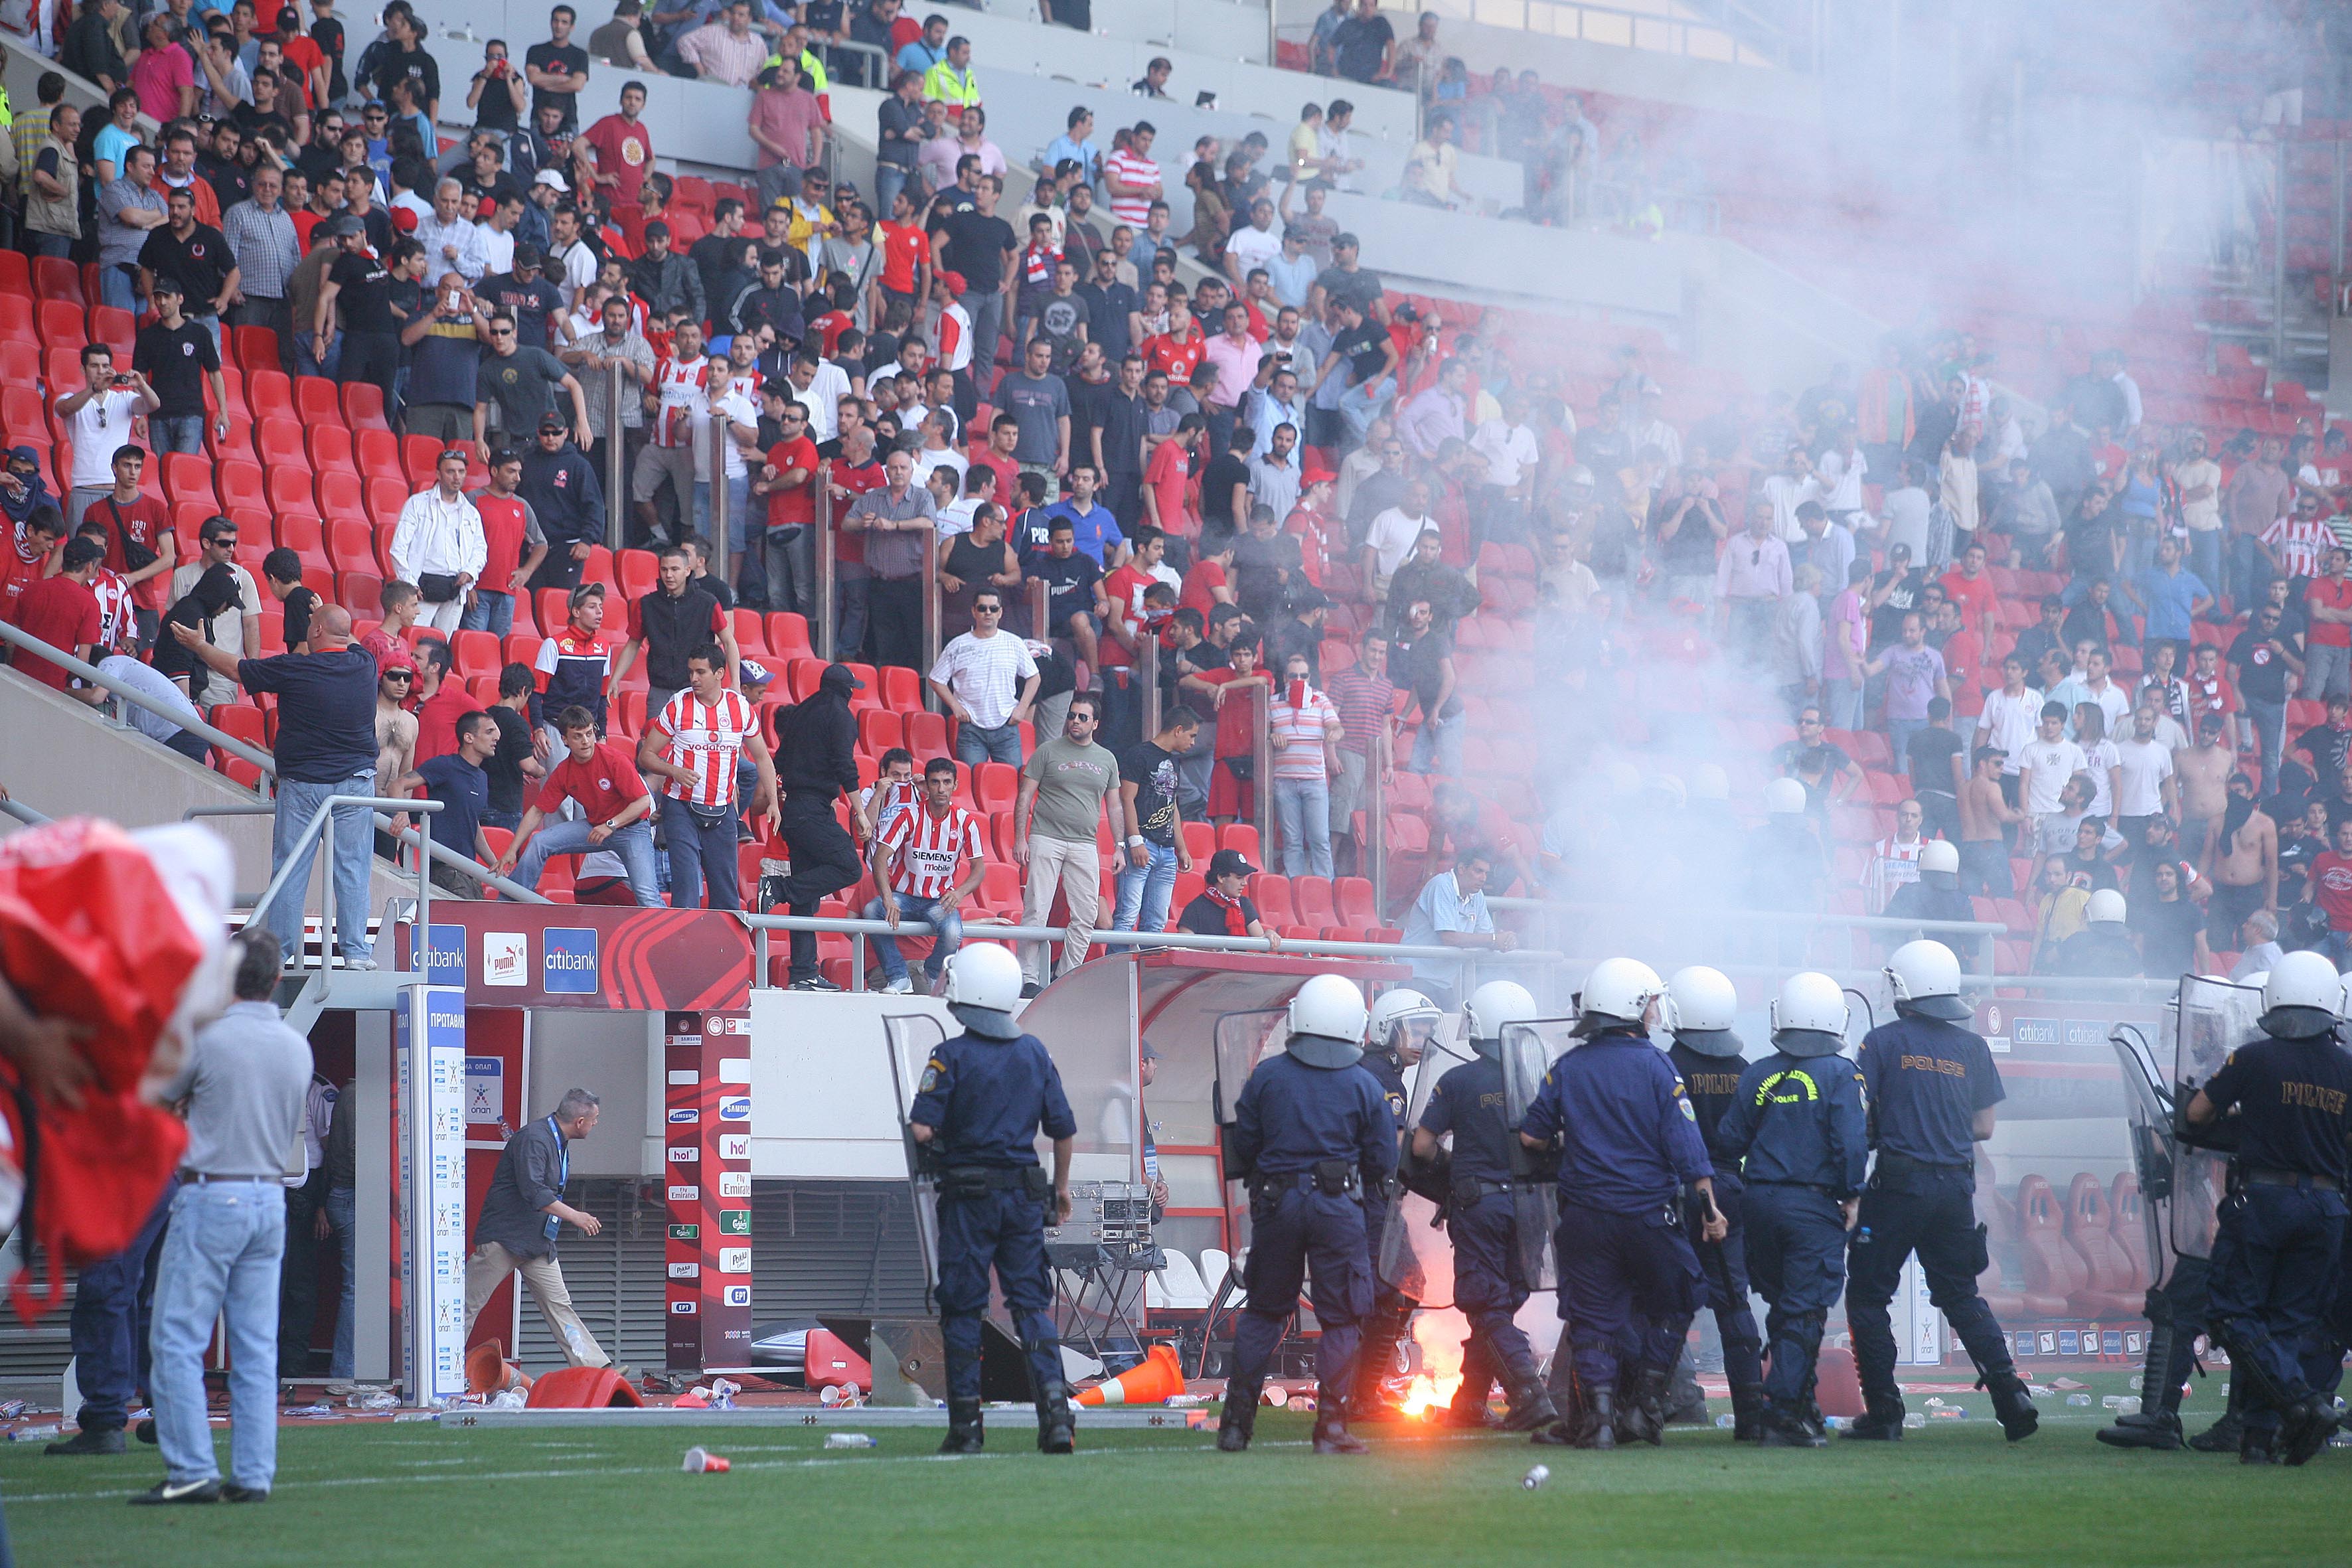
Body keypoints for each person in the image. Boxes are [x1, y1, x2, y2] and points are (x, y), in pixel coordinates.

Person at [1519, 957, 1723, 1449]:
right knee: (1677, 1303)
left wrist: (1572, 1144)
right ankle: (1644, 1405)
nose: (1655, 1010)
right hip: (1649, 1216)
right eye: (1651, 1001)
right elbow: (1687, 1148)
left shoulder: (1567, 1067)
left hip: (1585, 1216)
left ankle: (1600, 1420)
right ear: (1632, 1006)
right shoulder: (1657, 1066)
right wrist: (1711, 1209)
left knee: (1592, 1318)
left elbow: (1529, 1136)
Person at [137, 928, 310, 1506]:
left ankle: (191, 1469)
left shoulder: (207, 1040)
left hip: (213, 1193)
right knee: (256, 1347)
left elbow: (152, 1099)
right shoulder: (296, 1046)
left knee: (178, 1340)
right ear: (277, 979)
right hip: (269, 1197)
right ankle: (253, 1474)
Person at [1844, 939, 2037, 1442]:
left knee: (1867, 1296)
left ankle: (1885, 1413)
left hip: (1897, 1186)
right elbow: (1985, 1126)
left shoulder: (1881, 1042)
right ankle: (2010, 1395)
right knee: (1959, 1293)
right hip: (1954, 1187)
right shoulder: (1971, 1046)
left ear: (1904, 987)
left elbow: (1857, 1115)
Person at [2183, 952, 2352, 1464]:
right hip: (2326, 1207)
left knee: (2233, 1313)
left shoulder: (2254, 1057)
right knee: (2287, 1324)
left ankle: (2300, 1405)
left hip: (2263, 1200)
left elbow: (2195, 1114)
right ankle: (2257, 1441)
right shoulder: (2347, 1066)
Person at [909, 943, 1077, 1454]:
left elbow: (921, 1130)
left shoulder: (950, 1055)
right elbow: (1063, 1130)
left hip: (967, 1200)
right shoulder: (1035, 1052)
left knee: (963, 1310)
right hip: (1024, 1199)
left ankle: (966, 1429)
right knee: (1031, 1307)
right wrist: (1061, 1188)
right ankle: (1056, 1421)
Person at [1217, 974, 1391, 1455]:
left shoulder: (1267, 1076)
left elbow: (1244, 1145)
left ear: (1300, 1017)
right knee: (1341, 1320)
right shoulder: (1364, 1084)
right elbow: (1381, 1163)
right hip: (1338, 1209)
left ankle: (1235, 1426)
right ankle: (1331, 1429)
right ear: (1357, 1026)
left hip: (1277, 1204)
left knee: (1265, 1312)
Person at [172, 604, 378, 965]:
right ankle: (356, 953)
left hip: (303, 785)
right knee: (353, 868)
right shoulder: (365, 666)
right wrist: (325, 615)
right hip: (355, 785)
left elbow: (236, 669)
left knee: (290, 869)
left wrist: (199, 646)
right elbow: (349, 638)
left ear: (315, 632)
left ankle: (280, 954)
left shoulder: (296, 668)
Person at [1713, 971, 1869, 1447]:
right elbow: (1851, 1143)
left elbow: (1727, 1140)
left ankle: (1798, 1405)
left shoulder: (1758, 1071)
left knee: (1783, 1309)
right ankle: (1781, 1413)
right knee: (1803, 1312)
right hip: (1812, 1205)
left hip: (1757, 1202)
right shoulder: (1842, 1074)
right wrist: (1851, 1194)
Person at [1399, 982, 1558, 1430]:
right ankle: (1468, 1403)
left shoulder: (1458, 1080)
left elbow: (1423, 1146)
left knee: (1485, 1306)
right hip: (1532, 1210)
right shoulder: (1541, 1080)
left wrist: (1451, 1169)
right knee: (1500, 1306)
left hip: (1481, 1207)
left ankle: (1529, 1394)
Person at [1656, 965, 1768, 1441]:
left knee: (1665, 1303)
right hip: (1732, 1193)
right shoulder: (1745, 1071)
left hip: (1678, 1193)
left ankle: (1661, 1403)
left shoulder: (1662, 1064)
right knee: (1733, 1302)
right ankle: (1751, 1417)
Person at [461, 1088, 615, 1371]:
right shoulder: (534, 1138)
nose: (596, 1124)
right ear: (580, 1121)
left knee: (560, 1306)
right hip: (504, 1238)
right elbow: (534, 1191)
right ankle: (438, 1368)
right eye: (594, 1120)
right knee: (468, 1305)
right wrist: (575, 1216)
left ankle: (595, 1369)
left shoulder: (555, 1140)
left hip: (537, 1240)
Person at [638, 644, 779, 911]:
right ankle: (683, 951)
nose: (693, 678)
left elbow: (762, 757)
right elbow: (647, 756)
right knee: (688, 887)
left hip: (723, 809)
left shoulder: (740, 707)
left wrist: (772, 800)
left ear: (719, 673)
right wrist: (675, 771)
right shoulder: (678, 704)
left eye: (700, 672)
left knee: (726, 891)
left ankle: (722, 951)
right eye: (691, 672)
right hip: (681, 806)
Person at [492, 706, 661, 906]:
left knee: (646, 895)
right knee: (540, 842)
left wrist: (611, 825)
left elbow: (643, 802)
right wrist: (513, 849)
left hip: (631, 829)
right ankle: (510, 902)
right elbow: (537, 811)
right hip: (595, 827)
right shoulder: (565, 770)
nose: (586, 741)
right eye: (578, 736)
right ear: (565, 740)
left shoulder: (614, 759)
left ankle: (669, 937)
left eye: (589, 734)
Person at [1013, 692, 1123, 996]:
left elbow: (1114, 806)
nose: (1075, 721)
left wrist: (1119, 846)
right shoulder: (1047, 751)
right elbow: (1025, 796)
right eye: (1072, 715)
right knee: (1037, 907)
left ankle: (1066, 978)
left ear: (1095, 723)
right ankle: (1027, 978)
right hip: (1046, 836)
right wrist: (1020, 838)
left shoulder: (1107, 759)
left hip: (1085, 843)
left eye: (1082, 717)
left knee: (1087, 915)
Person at [769, 663, 866, 988]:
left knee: (805, 898)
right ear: (848, 690)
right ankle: (776, 889)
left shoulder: (801, 713)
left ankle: (802, 973)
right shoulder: (840, 715)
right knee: (850, 867)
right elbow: (845, 766)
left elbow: (778, 761)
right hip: (812, 809)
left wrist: (774, 796)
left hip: (794, 809)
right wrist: (861, 812)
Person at [866, 755, 984, 994]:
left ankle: (932, 973)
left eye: (946, 782)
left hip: (938, 899)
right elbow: (880, 857)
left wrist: (960, 892)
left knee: (953, 931)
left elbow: (979, 868)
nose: (941, 789)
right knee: (872, 910)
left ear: (955, 785)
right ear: (927, 785)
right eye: (935, 782)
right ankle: (899, 976)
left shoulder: (966, 821)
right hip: (905, 896)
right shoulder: (908, 815)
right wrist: (888, 898)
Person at [929, 588, 1039, 765]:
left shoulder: (1014, 643)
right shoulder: (957, 645)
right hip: (970, 728)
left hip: (1007, 726)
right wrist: (956, 707)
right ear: (973, 611)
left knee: (1011, 782)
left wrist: (1022, 709)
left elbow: (1034, 677)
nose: (988, 613)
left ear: (1000, 612)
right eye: (982, 608)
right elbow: (936, 679)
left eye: (993, 609)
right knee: (971, 783)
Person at [1113, 708, 1198, 934]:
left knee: (1156, 923)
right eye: (1192, 736)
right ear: (1178, 730)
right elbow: (1126, 799)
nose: (1193, 743)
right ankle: (1116, 969)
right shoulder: (1138, 754)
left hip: (1167, 851)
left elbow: (1172, 806)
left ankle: (1145, 970)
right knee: (1127, 917)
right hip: (1143, 844)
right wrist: (1136, 841)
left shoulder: (1175, 762)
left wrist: (1181, 848)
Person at [1397, 846, 1516, 1008]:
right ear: (1461, 868)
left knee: (1449, 1032)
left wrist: (1505, 940)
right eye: (1478, 871)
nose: (1483, 878)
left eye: (1486, 873)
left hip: (1444, 984)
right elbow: (1448, 937)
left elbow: (1486, 935)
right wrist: (1495, 939)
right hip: (1415, 979)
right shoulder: (1441, 885)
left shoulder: (1477, 895)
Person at [390, 449, 489, 634]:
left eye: (461, 472)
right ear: (438, 474)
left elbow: (480, 549)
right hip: (421, 589)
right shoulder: (417, 504)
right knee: (414, 642)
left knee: (441, 648)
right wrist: (410, 584)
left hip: (454, 590)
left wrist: (470, 572)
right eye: (450, 471)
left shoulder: (470, 512)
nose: (456, 477)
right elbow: (398, 548)